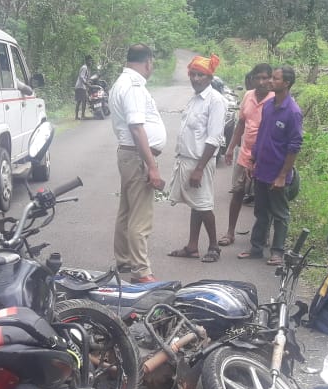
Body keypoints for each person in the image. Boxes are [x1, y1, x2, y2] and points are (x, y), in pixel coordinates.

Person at [109, 44, 166, 284]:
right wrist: (151, 166)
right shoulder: (133, 86)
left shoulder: (122, 82)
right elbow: (136, 127)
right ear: (148, 62)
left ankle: (124, 259)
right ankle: (141, 271)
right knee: (140, 217)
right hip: (136, 156)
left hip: (129, 155)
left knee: (127, 210)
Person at [237, 66, 303, 267]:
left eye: (275, 78)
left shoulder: (293, 112)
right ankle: (256, 248)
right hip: (262, 169)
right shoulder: (268, 106)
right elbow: (262, 136)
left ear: (287, 83)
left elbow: (294, 146)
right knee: (261, 211)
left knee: (280, 214)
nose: (270, 81)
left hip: (278, 173)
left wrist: (283, 175)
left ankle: (277, 252)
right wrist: (252, 160)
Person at [166, 54, 228, 264]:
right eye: (192, 74)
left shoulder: (216, 101)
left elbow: (214, 138)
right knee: (196, 204)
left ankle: (214, 246)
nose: (195, 78)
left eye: (200, 75)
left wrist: (199, 168)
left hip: (200, 162)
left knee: (203, 204)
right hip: (188, 160)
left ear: (210, 77)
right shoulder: (194, 99)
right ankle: (192, 247)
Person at [220, 63, 273, 247]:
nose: (261, 82)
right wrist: (230, 148)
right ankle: (230, 232)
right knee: (237, 192)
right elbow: (241, 124)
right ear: (252, 79)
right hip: (244, 154)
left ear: (271, 79)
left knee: (264, 198)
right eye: (258, 78)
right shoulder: (248, 96)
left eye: (265, 78)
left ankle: (263, 235)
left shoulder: (275, 99)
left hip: (265, 157)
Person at [74, 55, 94, 120]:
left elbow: (85, 77)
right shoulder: (84, 68)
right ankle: (82, 116)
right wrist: (86, 83)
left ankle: (77, 116)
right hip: (81, 86)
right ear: (86, 61)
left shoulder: (86, 68)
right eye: (89, 61)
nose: (90, 62)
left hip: (80, 86)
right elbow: (81, 77)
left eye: (91, 61)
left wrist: (88, 82)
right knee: (83, 101)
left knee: (79, 101)